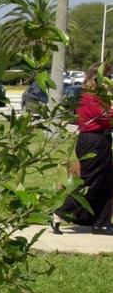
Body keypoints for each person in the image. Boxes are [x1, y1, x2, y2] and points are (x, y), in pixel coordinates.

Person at [52, 62, 113, 234]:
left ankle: (101, 221)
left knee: (107, 182)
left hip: (103, 139)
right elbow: (105, 117)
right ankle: (60, 213)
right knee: (90, 182)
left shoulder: (99, 97)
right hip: (93, 141)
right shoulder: (89, 98)